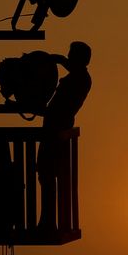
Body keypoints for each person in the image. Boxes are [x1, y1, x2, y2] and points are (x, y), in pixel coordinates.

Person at [36, 41, 92, 229]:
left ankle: (48, 222)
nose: (68, 57)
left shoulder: (79, 79)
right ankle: (47, 220)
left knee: (48, 174)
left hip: (56, 132)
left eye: (71, 55)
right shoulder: (79, 78)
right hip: (54, 131)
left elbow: (57, 110)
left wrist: (58, 60)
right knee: (47, 176)